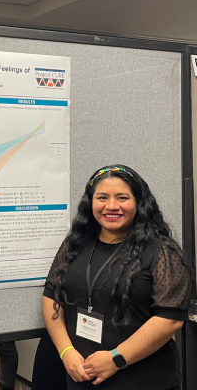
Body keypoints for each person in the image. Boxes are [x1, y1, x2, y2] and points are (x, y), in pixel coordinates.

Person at [42, 165, 190, 389]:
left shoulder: (161, 251)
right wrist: (66, 352)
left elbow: (169, 319)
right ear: (90, 202)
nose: (112, 206)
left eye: (122, 197)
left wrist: (116, 359)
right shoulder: (76, 244)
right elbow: (51, 297)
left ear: (139, 202)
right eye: (102, 197)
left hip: (142, 379)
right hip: (81, 375)